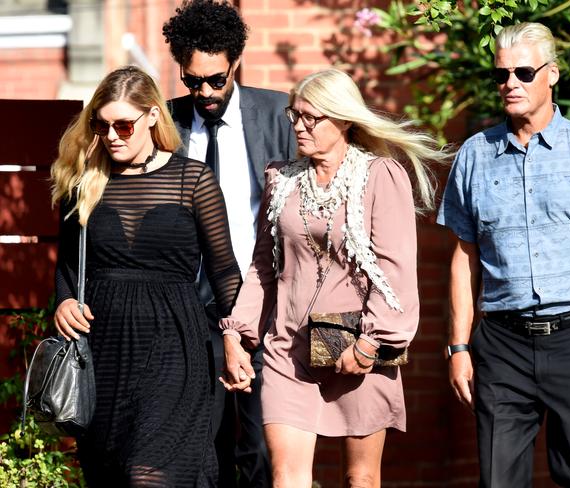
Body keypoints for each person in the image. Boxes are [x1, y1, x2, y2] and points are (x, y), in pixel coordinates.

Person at [219, 68, 448, 488]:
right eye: (295, 115)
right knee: (285, 476)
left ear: (343, 120)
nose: (299, 126)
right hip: (287, 349)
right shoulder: (281, 178)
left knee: (360, 477)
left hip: (357, 345)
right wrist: (238, 331)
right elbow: (263, 267)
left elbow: (395, 270)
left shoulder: (380, 175)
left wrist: (370, 343)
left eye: (312, 117)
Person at [436, 22, 570, 488]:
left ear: (552, 74)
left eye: (523, 72)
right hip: (502, 346)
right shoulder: (473, 155)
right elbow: (462, 259)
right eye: (501, 74)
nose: (510, 83)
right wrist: (458, 347)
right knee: (499, 482)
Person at [50, 65, 242, 487]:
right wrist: (64, 301)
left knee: (148, 474)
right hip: (103, 350)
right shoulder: (83, 183)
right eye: (101, 126)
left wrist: (235, 337)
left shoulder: (193, 180)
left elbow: (224, 270)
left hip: (174, 344)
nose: (112, 135)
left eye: (123, 124)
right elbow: (66, 266)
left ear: (153, 116)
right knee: (111, 474)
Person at [162, 2, 296, 486]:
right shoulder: (168, 123)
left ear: (235, 62)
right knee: (202, 447)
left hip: (262, 305)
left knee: (261, 448)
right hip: (189, 312)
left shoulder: (277, 114)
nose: (204, 92)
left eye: (215, 80)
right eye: (192, 81)